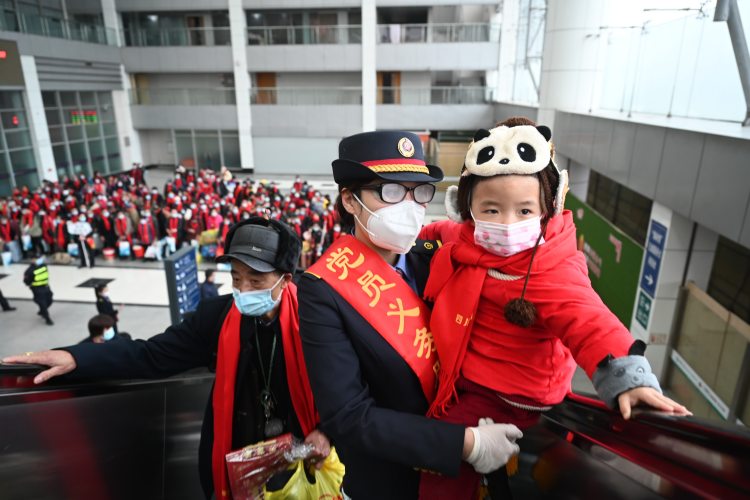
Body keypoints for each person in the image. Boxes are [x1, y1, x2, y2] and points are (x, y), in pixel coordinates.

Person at [419, 118, 691, 499]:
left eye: (524, 211)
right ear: (466, 208)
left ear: (550, 207)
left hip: (507, 398)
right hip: (468, 378)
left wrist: (631, 380)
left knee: (442, 455)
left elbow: (589, 319)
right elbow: (442, 233)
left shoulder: (551, 268)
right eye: (492, 210)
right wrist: (414, 240)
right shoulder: (470, 239)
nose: (507, 223)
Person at [4, 218, 329, 499]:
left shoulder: (318, 318)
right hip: (238, 459)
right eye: (236, 277)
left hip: (303, 457)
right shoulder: (216, 317)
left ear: (286, 279)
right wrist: (77, 357)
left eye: (256, 281)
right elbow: (152, 355)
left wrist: (327, 431)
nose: (243, 290)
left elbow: (351, 381)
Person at [298, 130, 522, 500]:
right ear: (350, 200)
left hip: (476, 465)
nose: (409, 205)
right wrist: (467, 444)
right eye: (390, 191)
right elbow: (348, 415)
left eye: (418, 191)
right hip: (394, 481)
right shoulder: (323, 289)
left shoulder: (436, 255)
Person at [23, 254, 53, 325]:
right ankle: (47, 318)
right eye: (36, 258)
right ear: (32, 260)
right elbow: (26, 281)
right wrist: (31, 286)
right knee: (42, 303)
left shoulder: (43, 265)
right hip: (37, 289)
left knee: (50, 300)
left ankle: (42, 310)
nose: (39, 260)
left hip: (46, 286)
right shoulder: (29, 270)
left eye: (39, 258)